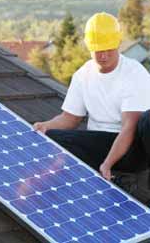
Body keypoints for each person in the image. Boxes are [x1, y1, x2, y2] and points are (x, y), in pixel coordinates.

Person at [34, 12, 150, 182]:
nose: (103, 56)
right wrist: (45, 126)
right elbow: (70, 119)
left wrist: (107, 163)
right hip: (100, 142)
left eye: (108, 49)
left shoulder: (134, 72)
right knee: (54, 137)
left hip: (132, 149)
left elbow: (129, 128)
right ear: (89, 46)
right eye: (98, 50)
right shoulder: (82, 75)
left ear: (118, 44)